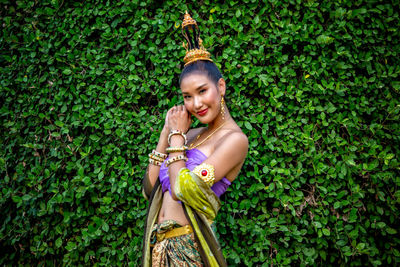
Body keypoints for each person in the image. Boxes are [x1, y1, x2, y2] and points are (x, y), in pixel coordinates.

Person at [141, 11, 248, 267]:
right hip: (159, 250)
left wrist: (176, 139)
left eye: (202, 91)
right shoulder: (189, 135)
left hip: (189, 250)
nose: (196, 103)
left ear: (220, 87)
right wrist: (166, 132)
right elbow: (149, 190)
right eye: (187, 96)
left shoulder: (234, 140)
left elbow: (183, 190)